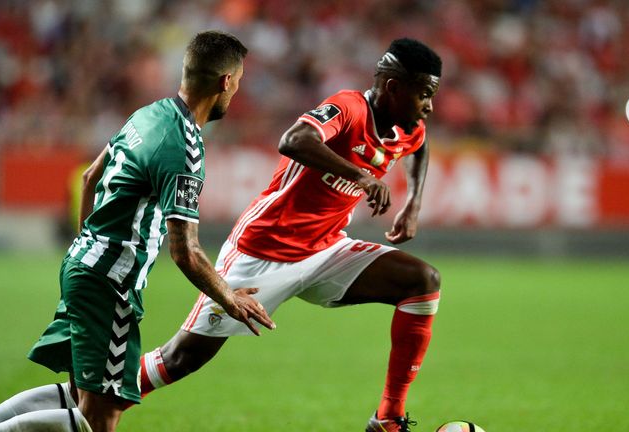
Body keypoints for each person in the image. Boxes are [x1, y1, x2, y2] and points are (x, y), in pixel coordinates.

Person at [0, 30, 274, 432]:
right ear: (225, 82)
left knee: (80, 394)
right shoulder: (186, 148)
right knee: (100, 416)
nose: (235, 94)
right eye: (236, 85)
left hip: (82, 264)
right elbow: (185, 251)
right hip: (109, 283)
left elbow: (89, 178)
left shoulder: (147, 114)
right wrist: (229, 297)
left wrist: (89, 246)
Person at [138, 38, 442, 432]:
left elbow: (419, 145)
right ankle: (84, 399)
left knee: (422, 282)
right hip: (263, 249)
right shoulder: (349, 107)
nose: (430, 105)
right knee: (181, 360)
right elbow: (294, 139)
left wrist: (413, 202)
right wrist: (361, 176)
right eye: (424, 94)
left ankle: (388, 418)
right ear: (394, 88)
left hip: (327, 248)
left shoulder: (408, 126)